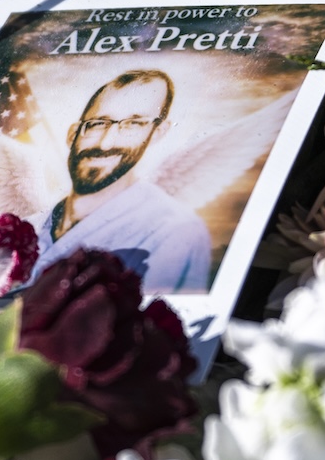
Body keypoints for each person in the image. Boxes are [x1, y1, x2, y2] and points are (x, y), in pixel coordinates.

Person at [42, 69, 212, 293]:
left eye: (134, 124)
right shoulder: (30, 225)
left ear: (157, 132)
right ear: (73, 133)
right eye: (98, 123)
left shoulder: (173, 232)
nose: (105, 143)